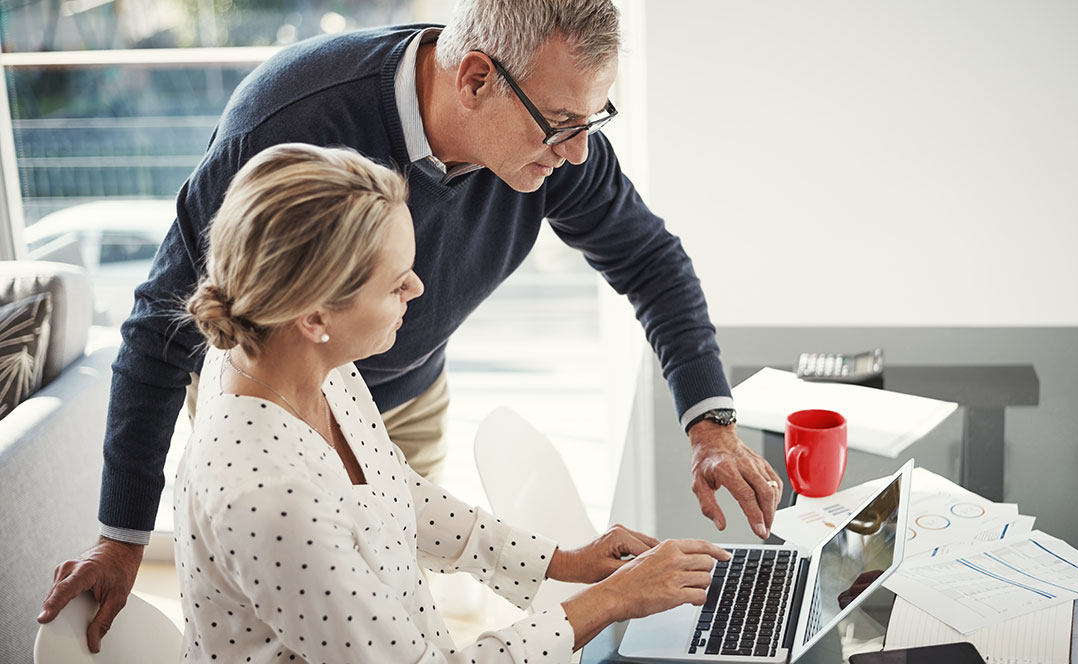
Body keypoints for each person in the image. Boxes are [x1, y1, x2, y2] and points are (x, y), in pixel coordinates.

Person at [39, 0, 782, 651]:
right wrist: (123, 533)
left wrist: (585, 545)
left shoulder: (347, 383)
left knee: (389, 595)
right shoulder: (289, 125)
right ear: (477, 78)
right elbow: (160, 325)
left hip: (369, 386)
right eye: (562, 126)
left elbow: (400, 510)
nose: (580, 152)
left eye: (592, 121)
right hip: (276, 386)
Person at [177, 142, 729, 662]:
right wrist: (612, 600)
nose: (418, 289)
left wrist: (566, 561)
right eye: (395, 284)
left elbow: (394, 493)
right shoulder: (268, 497)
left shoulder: (310, 365)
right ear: (315, 316)